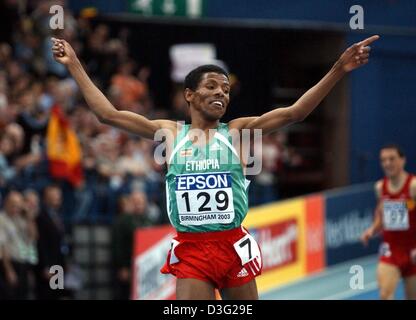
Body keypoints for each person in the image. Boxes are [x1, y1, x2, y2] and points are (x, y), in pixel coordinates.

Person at [51, 34, 379, 300]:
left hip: (232, 245)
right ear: (190, 95)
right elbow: (108, 115)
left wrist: (338, 69)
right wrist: (75, 65)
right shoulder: (170, 132)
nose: (220, 93)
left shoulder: (237, 132)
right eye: (211, 87)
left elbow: (294, 113)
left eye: (225, 89)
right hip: (192, 249)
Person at [361, 145, 416, 300]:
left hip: (413, 251)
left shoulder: (413, 186)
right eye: (383, 160)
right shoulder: (380, 187)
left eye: (392, 159)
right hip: (390, 250)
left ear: (402, 160)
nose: (387, 163)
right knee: (385, 294)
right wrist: (372, 230)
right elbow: (381, 215)